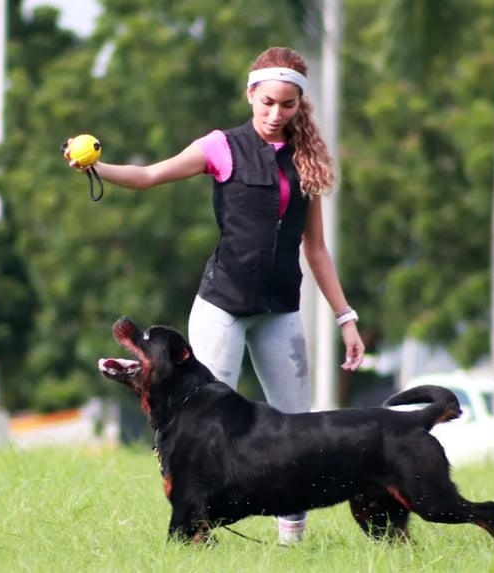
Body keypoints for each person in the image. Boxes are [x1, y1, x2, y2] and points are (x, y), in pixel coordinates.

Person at [63, 46, 365, 544]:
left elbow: (316, 249)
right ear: (250, 94)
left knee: (298, 431)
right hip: (222, 305)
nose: (275, 114)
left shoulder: (305, 159)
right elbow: (149, 176)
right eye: (267, 102)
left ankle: (294, 543)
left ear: (299, 104)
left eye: (287, 105)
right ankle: (197, 529)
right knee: (201, 424)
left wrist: (345, 318)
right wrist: (96, 169)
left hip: (280, 310)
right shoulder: (222, 147)